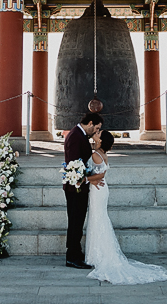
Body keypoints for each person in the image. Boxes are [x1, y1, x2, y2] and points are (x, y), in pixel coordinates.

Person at [85, 129, 167, 284]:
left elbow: (100, 175)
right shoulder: (100, 153)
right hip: (101, 189)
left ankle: (99, 255)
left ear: (101, 140)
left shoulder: (95, 155)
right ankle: (96, 254)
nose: (95, 133)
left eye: (98, 133)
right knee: (98, 218)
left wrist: (83, 178)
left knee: (98, 218)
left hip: (98, 189)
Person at [63, 112, 104, 269]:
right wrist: (85, 179)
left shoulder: (78, 134)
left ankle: (76, 252)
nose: (96, 131)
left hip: (79, 186)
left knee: (77, 221)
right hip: (75, 188)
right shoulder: (75, 136)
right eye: (96, 128)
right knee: (75, 222)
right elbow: (74, 163)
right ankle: (72, 256)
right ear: (91, 123)